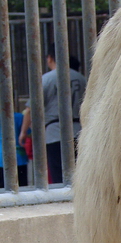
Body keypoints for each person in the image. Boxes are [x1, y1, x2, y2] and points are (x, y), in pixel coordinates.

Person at [18, 45, 87, 183]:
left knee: (59, 176)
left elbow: (31, 109)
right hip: (80, 132)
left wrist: (24, 132)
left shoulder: (46, 79)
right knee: (81, 174)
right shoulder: (81, 78)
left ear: (50, 58)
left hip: (55, 133)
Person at [0, 112, 28, 189]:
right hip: (18, 158)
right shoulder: (19, 117)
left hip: (1, 159)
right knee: (20, 189)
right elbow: (28, 134)